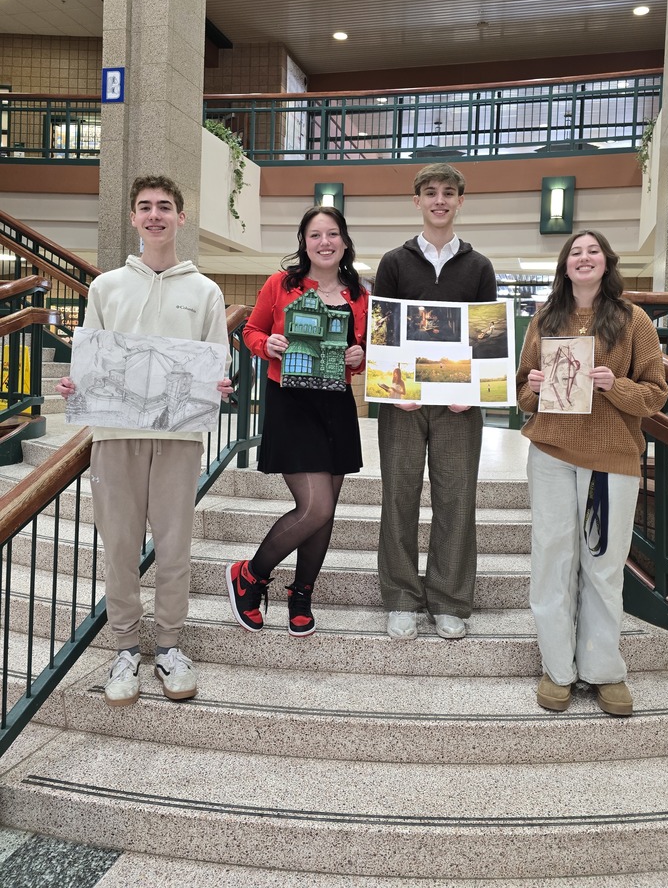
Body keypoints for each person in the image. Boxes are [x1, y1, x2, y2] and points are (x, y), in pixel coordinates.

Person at [56, 175, 232, 707]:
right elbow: (92, 362)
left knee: (174, 546)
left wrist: (218, 384)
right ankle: (126, 648)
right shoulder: (106, 287)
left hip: (177, 440)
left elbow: (216, 364)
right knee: (120, 548)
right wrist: (76, 382)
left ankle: (171, 647)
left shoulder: (206, 292)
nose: (154, 215)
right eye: (144, 207)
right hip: (116, 437)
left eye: (165, 207)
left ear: (181, 218)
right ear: (133, 218)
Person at [515, 229, 668, 716]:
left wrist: (615, 385)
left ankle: (603, 669)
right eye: (575, 252)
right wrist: (535, 386)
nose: (583, 258)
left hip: (611, 460)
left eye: (593, 251)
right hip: (552, 452)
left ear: (607, 263)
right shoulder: (545, 319)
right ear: (564, 265)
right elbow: (520, 393)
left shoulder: (632, 320)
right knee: (552, 560)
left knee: (602, 566)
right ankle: (557, 667)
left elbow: (656, 393)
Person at [226, 205, 367, 637]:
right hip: (291, 402)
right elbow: (249, 331)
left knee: (327, 512)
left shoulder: (358, 294)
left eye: (332, 234)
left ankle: (301, 593)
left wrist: (360, 357)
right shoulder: (280, 285)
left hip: (336, 405)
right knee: (316, 505)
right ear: (303, 243)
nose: (324, 242)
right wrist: (265, 344)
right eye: (315, 235)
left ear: (344, 241)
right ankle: (250, 574)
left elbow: (365, 349)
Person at [374, 163, 497, 640]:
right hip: (402, 402)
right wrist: (392, 389)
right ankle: (402, 597)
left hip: (459, 406)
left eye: (448, 193)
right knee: (399, 497)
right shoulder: (394, 262)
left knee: (456, 499)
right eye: (430, 193)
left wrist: (473, 392)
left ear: (460, 201)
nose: (439, 200)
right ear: (417, 201)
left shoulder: (479, 266)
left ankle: (449, 600)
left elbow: (487, 337)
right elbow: (383, 331)